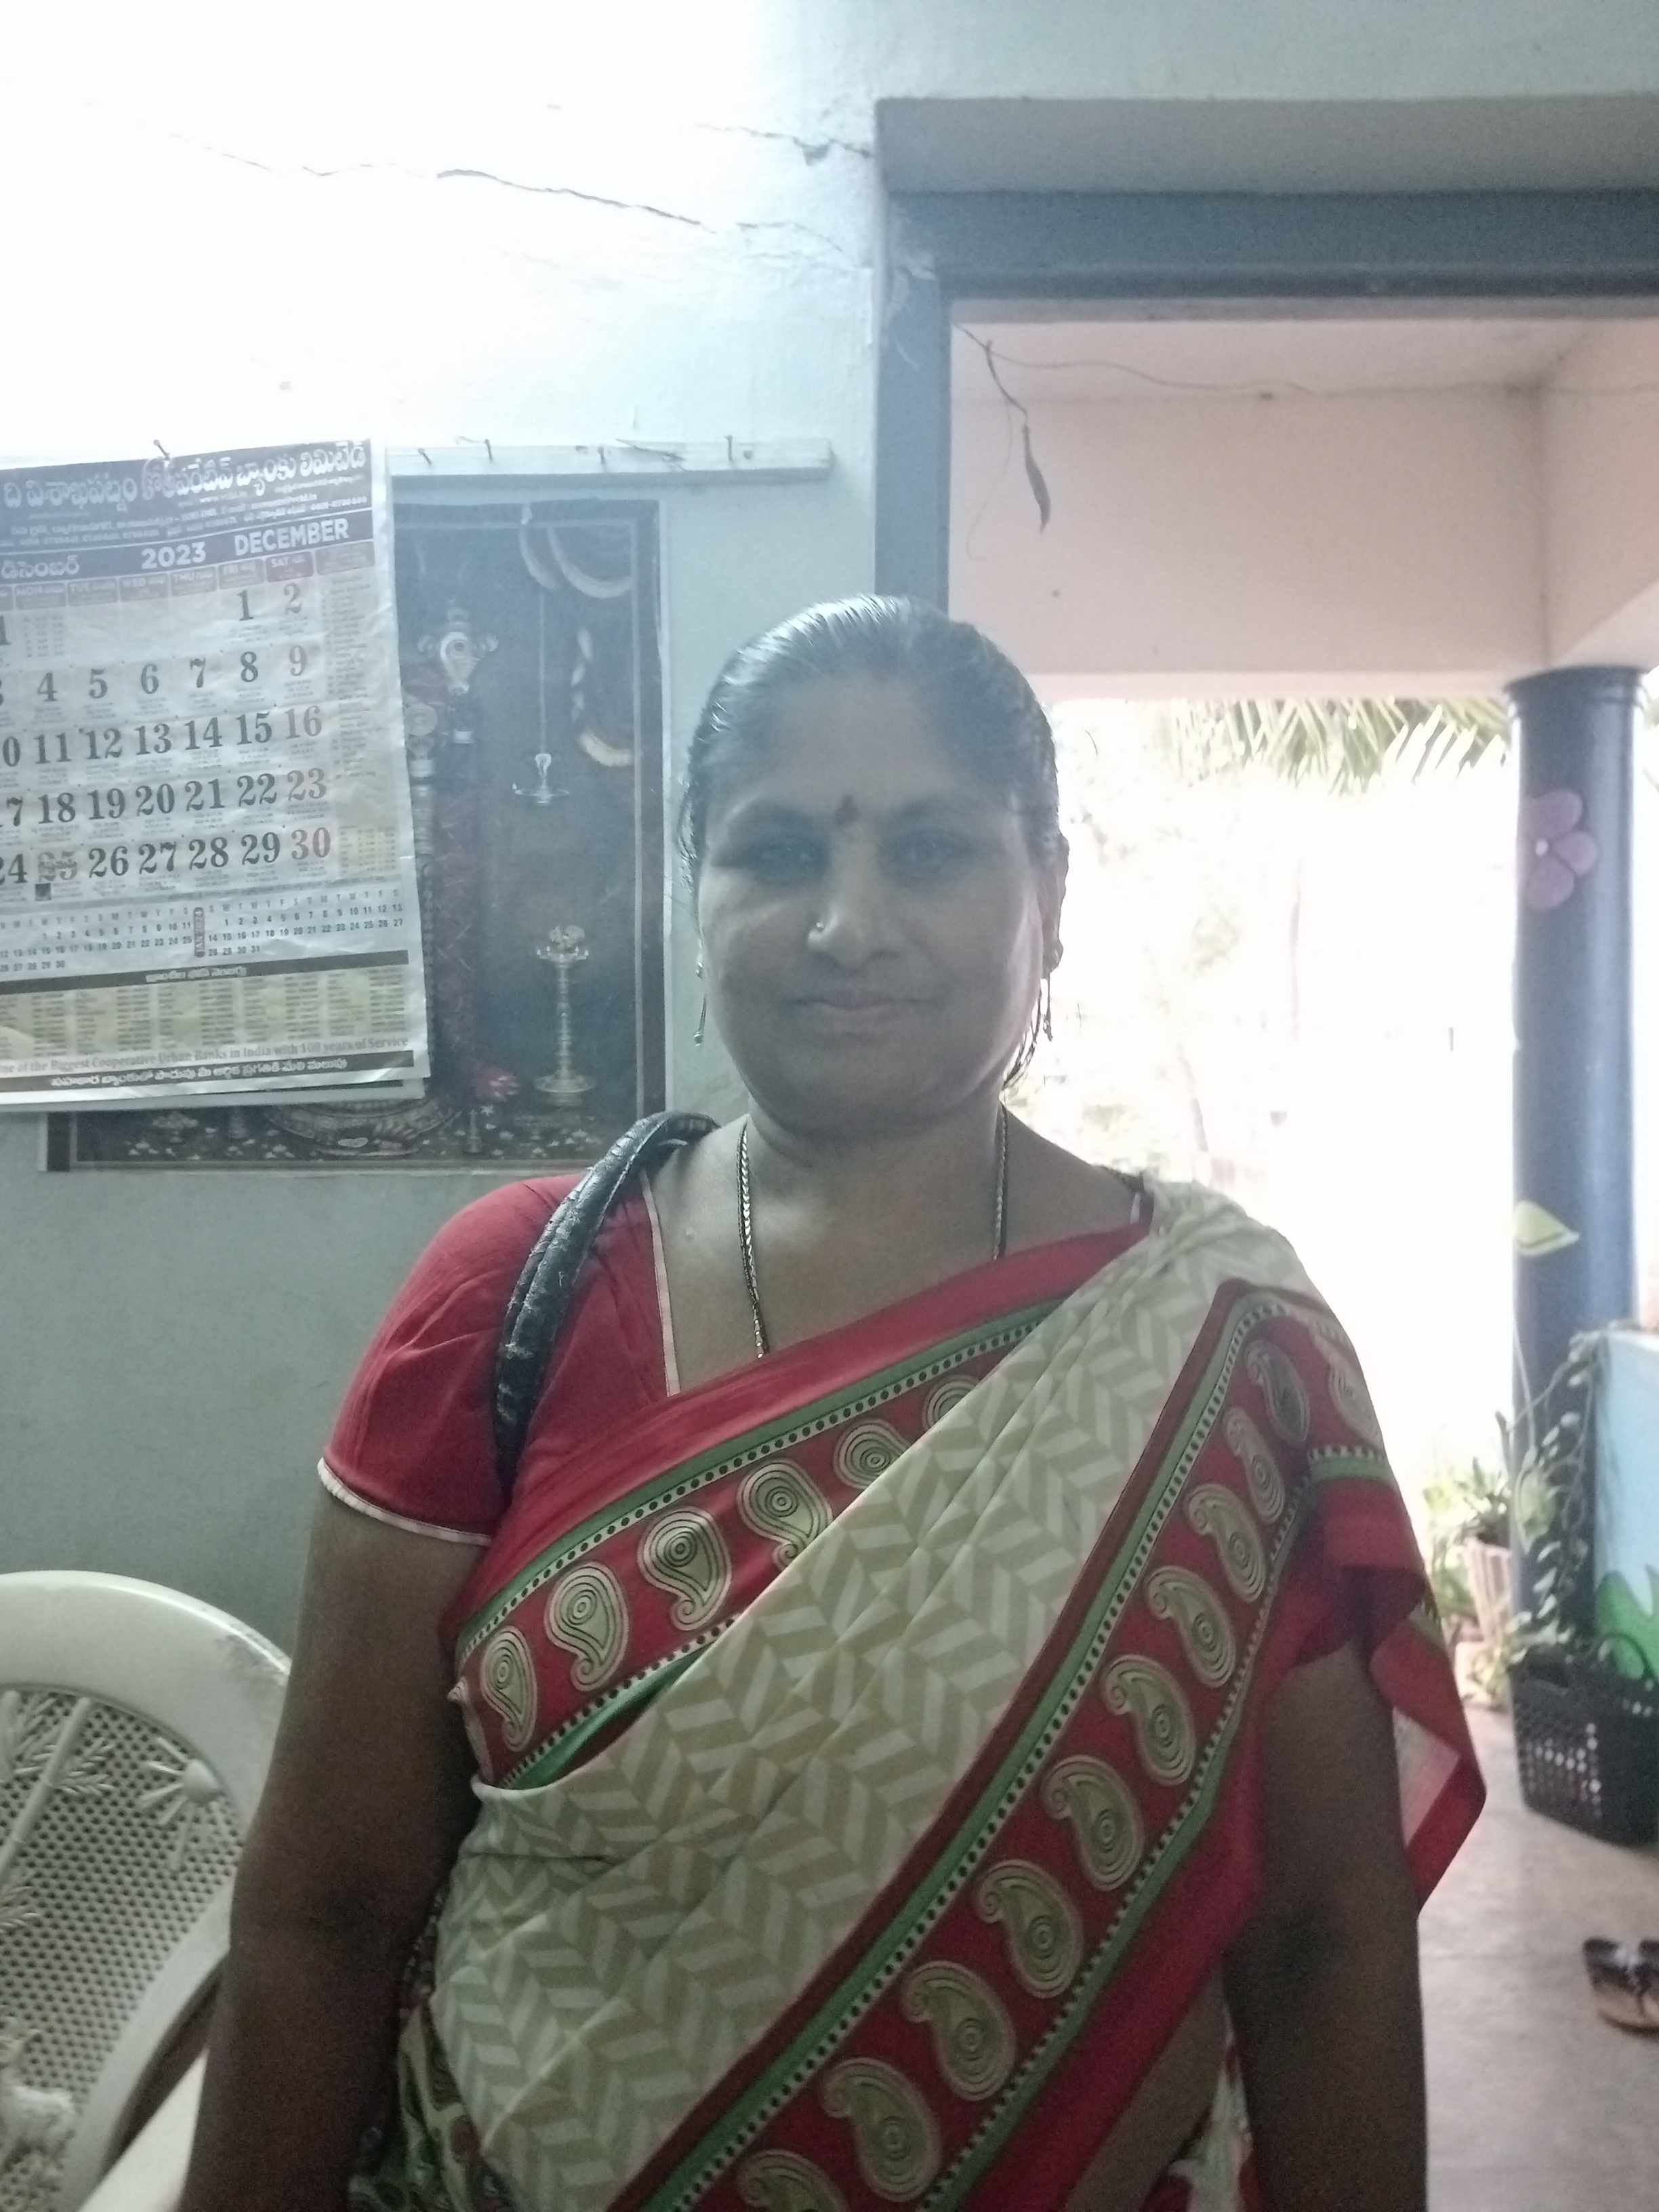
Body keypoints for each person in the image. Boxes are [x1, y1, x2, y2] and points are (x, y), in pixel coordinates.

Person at [180, 597, 1482, 2212]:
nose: (849, 925)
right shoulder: (505, 1298)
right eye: (780, 852)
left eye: (930, 852)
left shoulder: (1229, 1345)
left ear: (1051, 890)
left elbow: (1321, 1939)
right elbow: (326, 1911)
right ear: (698, 891)